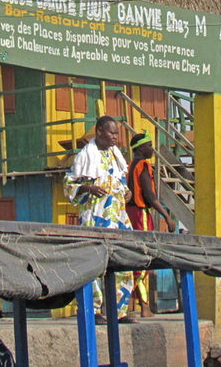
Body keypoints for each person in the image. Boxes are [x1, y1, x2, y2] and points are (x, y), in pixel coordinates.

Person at [64, 116, 136, 324]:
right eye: (112, 133)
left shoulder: (116, 156)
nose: (115, 137)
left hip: (118, 218)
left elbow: (119, 182)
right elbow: (69, 185)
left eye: (117, 133)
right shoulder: (85, 156)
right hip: (95, 218)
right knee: (92, 265)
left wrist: (127, 192)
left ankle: (119, 311)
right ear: (99, 132)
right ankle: (92, 310)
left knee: (124, 262)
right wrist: (88, 188)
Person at [126, 131, 176, 317]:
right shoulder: (143, 166)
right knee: (143, 257)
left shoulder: (131, 166)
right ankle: (145, 306)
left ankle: (134, 303)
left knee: (135, 257)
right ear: (140, 148)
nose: (152, 149)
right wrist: (167, 217)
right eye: (149, 146)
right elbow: (150, 195)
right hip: (140, 213)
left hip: (130, 213)